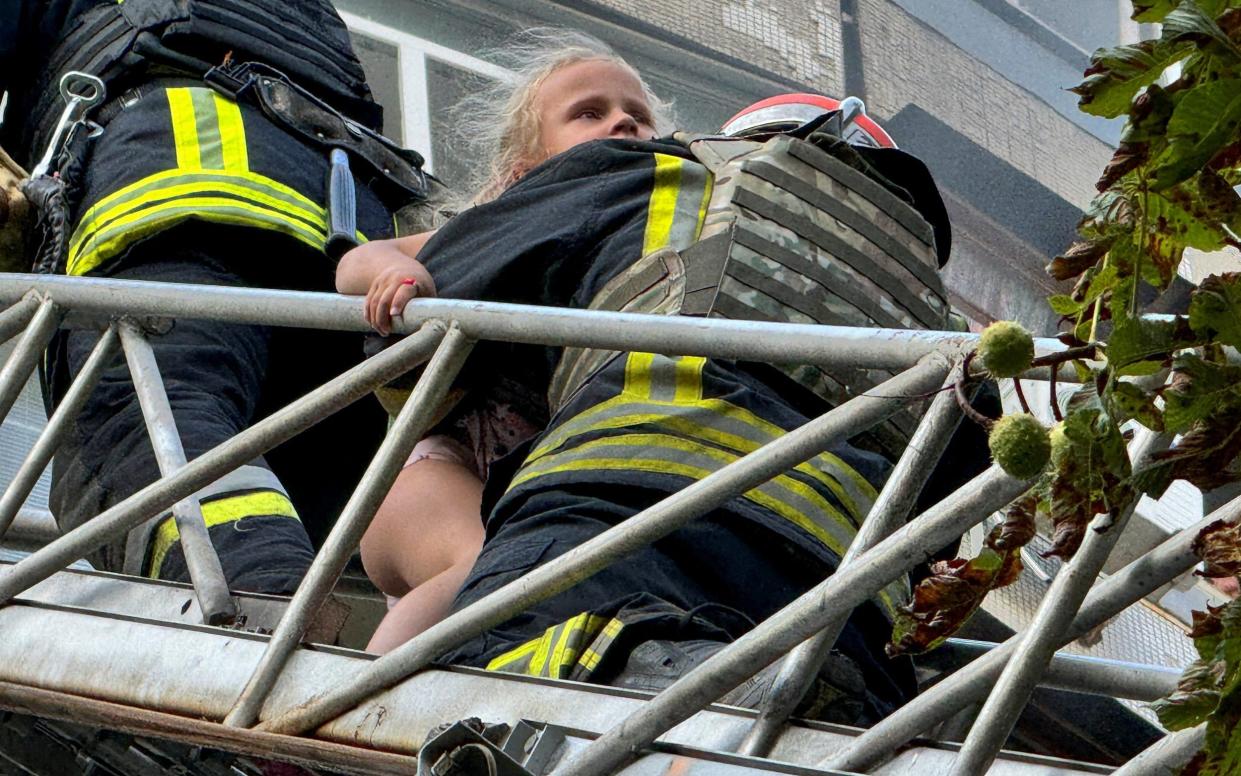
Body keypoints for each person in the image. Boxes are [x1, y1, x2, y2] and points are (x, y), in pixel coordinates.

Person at [0, 1, 424, 593]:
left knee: (150, 440)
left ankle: (257, 622)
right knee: (295, 515)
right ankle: (299, 634)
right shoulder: (313, 18)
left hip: (180, 196)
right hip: (351, 267)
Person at [336, 31, 670, 653]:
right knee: (481, 575)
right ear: (525, 173)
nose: (624, 121)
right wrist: (400, 276)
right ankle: (345, 716)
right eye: (589, 114)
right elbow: (360, 258)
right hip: (439, 477)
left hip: (528, 498)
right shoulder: (487, 229)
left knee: (529, 581)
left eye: (639, 116)